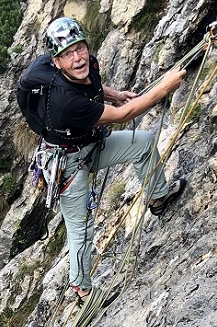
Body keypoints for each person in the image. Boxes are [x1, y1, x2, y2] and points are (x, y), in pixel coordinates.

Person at [28, 16, 188, 304]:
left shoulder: (86, 66)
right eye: (67, 54)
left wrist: (113, 95)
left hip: (90, 145)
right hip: (69, 166)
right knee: (82, 229)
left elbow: (92, 86)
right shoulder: (67, 103)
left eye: (80, 48)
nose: (77, 58)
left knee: (144, 143)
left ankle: (158, 198)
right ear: (55, 62)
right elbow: (125, 115)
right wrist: (164, 87)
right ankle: (82, 290)